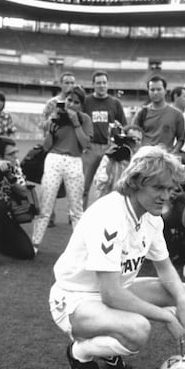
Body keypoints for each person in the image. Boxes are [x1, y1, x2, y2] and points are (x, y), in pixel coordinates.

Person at [49, 145, 185, 369]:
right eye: (158, 187)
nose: (165, 196)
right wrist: (166, 316)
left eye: (170, 189)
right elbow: (111, 294)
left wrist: (181, 301)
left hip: (114, 291)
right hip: (74, 299)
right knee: (139, 330)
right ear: (136, 182)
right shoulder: (109, 216)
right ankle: (79, 352)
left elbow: (165, 267)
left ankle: (109, 345)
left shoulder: (152, 216)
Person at [32, 86, 93, 254]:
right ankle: (35, 244)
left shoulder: (85, 119)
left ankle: (82, 249)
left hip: (74, 161)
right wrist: (51, 130)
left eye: (76, 102)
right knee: (45, 206)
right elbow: (46, 146)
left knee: (76, 209)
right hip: (53, 159)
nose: (71, 104)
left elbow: (86, 144)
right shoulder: (55, 116)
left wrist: (75, 123)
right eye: (69, 100)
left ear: (81, 105)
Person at [82, 70, 127, 209]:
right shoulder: (86, 101)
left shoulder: (115, 103)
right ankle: (80, 214)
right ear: (93, 84)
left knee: (109, 183)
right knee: (84, 185)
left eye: (104, 82)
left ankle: (106, 213)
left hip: (109, 147)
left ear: (108, 84)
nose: (102, 85)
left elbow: (123, 125)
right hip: (91, 147)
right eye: (98, 83)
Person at [40, 71, 76, 227]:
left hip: (72, 149)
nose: (70, 86)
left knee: (73, 185)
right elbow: (42, 125)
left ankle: (73, 215)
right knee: (50, 185)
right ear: (60, 84)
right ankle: (49, 217)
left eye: (72, 82)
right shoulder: (51, 103)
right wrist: (52, 119)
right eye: (67, 82)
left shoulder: (78, 103)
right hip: (54, 149)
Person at [0, 136, 34, 264]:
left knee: (26, 252)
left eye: (16, 152)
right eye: (11, 154)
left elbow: (23, 192)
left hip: (4, 216)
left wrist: (9, 176)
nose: (16, 157)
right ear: (0, 157)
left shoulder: (14, 165)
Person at [133, 76, 185, 153]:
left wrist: (173, 153)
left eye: (159, 89)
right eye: (152, 90)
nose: (155, 93)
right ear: (148, 91)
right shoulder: (142, 113)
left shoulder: (177, 115)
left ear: (165, 91)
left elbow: (181, 139)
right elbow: (133, 136)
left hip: (165, 158)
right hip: (145, 157)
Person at [93, 124, 143, 199]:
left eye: (139, 140)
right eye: (133, 139)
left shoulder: (141, 160)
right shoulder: (111, 157)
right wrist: (110, 162)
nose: (136, 142)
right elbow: (99, 185)